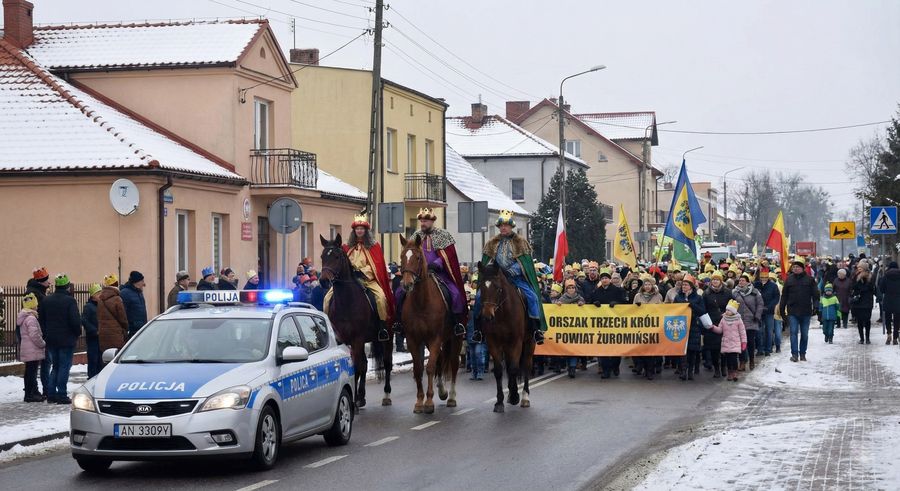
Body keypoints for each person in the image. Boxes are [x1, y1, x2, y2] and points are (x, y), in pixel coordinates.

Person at [474, 210, 546, 344]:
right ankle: (478, 330)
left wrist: (512, 271)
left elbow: (525, 264)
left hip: (516, 279)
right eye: (501, 225)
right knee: (479, 297)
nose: (503, 228)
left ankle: (536, 330)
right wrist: (491, 269)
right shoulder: (492, 243)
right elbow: (488, 261)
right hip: (496, 278)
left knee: (532, 297)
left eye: (506, 225)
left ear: (511, 226)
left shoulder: (521, 242)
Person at [396, 208, 468, 337]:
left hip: (439, 273)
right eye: (422, 221)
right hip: (418, 274)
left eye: (426, 221)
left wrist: (438, 263)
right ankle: (399, 323)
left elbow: (449, 255)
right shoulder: (415, 236)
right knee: (399, 293)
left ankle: (457, 324)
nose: (423, 223)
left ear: (432, 221)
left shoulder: (443, 235)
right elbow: (409, 254)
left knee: (456, 294)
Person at [324, 214, 395, 341]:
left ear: (366, 231)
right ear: (354, 231)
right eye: (357, 229)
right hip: (348, 280)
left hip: (368, 280)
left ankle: (382, 327)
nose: (359, 231)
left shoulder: (374, 246)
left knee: (381, 298)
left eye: (362, 228)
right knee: (327, 298)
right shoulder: (346, 247)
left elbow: (376, 265)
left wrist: (362, 272)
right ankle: (329, 327)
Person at [39, 274, 81, 404]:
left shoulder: (46, 300)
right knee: (64, 367)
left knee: (55, 366)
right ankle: (61, 394)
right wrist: (77, 333)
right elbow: (75, 321)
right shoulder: (70, 301)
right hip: (67, 340)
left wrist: (46, 335)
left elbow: (42, 320)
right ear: (67, 286)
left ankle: (51, 394)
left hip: (51, 339)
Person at [780, 258, 819, 362]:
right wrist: (782, 309)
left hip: (806, 311)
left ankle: (802, 353)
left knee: (804, 334)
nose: (795, 269)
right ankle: (794, 354)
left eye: (797, 267)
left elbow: (816, 294)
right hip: (792, 310)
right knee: (793, 332)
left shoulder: (809, 280)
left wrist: (816, 306)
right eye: (794, 267)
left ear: (802, 268)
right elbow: (784, 296)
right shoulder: (789, 279)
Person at [591, 268, 627, 378]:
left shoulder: (618, 290)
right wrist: (594, 303)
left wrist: (616, 303)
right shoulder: (596, 291)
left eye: (606, 278)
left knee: (615, 349)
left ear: (610, 279)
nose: (604, 280)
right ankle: (606, 370)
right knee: (604, 350)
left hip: (615, 325)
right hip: (602, 325)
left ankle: (615, 366)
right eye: (602, 278)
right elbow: (590, 302)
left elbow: (625, 303)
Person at [25, 267, 52, 399]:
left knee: (33, 365)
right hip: (37, 335)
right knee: (34, 365)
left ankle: (32, 391)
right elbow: (41, 316)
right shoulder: (37, 295)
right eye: (47, 281)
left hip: (35, 333)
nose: (49, 283)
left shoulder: (35, 292)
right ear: (41, 282)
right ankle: (33, 392)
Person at [674, 275, 706, 381]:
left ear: (691, 287)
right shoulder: (678, 297)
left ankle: (690, 371)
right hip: (681, 326)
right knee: (682, 350)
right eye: (683, 285)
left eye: (686, 285)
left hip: (694, 326)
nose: (684, 286)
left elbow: (702, 311)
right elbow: (673, 310)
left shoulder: (698, 298)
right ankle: (683, 370)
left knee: (692, 350)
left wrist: (691, 304)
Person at [632, 275, 663, 380]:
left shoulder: (658, 296)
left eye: (649, 284)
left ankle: (650, 370)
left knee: (651, 351)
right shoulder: (637, 296)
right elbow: (632, 310)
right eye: (646, 284)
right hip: (641, 326)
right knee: (642, 350)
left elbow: (662, 310)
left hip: (653, 326)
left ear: (652, 285)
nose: (647, 286)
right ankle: (644, 368)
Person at [17, 293, 45, 402]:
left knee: (29, 372)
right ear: (32, 306)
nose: (37, 307)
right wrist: (42, 343)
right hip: (32, 349)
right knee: (31, 373)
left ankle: (29, 393)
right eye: (36, 305)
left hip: (27, 348)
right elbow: (34, 335)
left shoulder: (24, 317)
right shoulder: (31, 318)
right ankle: (30, 395)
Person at [555, 278, 585, 378]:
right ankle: (566, 365)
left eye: (573, 287)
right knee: (565, 349)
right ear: (566, 289)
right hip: (565, 329)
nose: (571, 289)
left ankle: (572, 368)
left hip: (576, 329)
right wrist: (557, 305)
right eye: (569, 288)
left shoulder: (580, 298)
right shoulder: (562, 300)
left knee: (573, 349)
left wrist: (582, 304)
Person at [733, 274, 764, 371]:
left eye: (743, 280)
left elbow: (760, 304)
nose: (741, 282)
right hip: (739, 320)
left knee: (750, 342)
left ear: (748, 282)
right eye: (740, 280)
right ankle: (742, 361)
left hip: (751, 320)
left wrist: (758, 316)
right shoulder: (735, 292)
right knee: (741, 342)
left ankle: (751, 360)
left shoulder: (755, 292)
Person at [703, 272, 731, 379]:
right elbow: (703, 308)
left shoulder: (727, 292)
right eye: (713, 279)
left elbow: (733, 304)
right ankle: (717, 369)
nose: (715, 281)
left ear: (721, 281)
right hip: (711, 323)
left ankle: (724, 367)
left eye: (717, 280)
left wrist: (727, 312)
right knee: (714, 348)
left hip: (725, 322)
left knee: (724, 347)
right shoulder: (706, 293)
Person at [712, 300, 747, 382]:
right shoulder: (723, 319)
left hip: (735, 343)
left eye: (729, 310)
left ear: (733, 312)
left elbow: (742, 331)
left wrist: (744, 342)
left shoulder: (738, 320)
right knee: (728, 360)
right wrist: (712, 327)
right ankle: (730, 373)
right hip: (726, 343)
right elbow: (720, 330)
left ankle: (735, 372)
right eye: (726, 310)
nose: (727, 312)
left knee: (734, 359)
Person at [97, 274, 129, 360]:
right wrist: (125, 328)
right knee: (116, 357)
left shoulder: (100, 299)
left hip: (103, 334)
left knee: (105, 358)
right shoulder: (117, 299)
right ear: (116, 284)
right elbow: (123, 318)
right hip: (116, 334)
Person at [754, 268, 781, 356]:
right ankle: (760, 349)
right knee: (759, 331)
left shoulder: (773, 286)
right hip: (758, 311)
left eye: (765, 277)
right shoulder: (756, 285)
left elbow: (776, 298)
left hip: (769, 311)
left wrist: (769, 307)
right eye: (762, 277)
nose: (763, 279)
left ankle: (768, 349)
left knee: (769, 331)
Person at [850, 262, 875, 344]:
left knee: (866, 321)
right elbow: (853, 287)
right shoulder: (856, 276)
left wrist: (860, 283)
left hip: (866, 302)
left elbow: (871, 288)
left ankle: (866, 338)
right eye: (858, 267)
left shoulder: (869, 277)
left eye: (860, 267)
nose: (858, 269)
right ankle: (863, 339)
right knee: (861, 321)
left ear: (864, 268)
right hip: (860, 303)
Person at [81, 284, 102, 378]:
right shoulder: (88, 307)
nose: (100, 295)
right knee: (93, 359)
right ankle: (91, 378)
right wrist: (94, 331)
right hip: (93, 337)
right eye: (98, 293)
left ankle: (99, 377)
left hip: (101, 337)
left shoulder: (101, 305)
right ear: (93, 296)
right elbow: (84, 320)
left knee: (100, 360)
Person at [120, 271, 147, 338]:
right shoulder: (125, 293)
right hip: (132, 331)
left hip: (141, 328)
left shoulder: (139, 293)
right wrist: (127, 328)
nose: (144, 284)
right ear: (137, 282)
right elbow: (122, 313)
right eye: (142, 281)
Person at [879, 261, 900, 344]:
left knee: (888, 318)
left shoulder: (886, 276)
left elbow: (882, 289)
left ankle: (889, 334)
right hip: (898, 299)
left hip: (888, 299)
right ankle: (895, 337)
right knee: (897, 319)